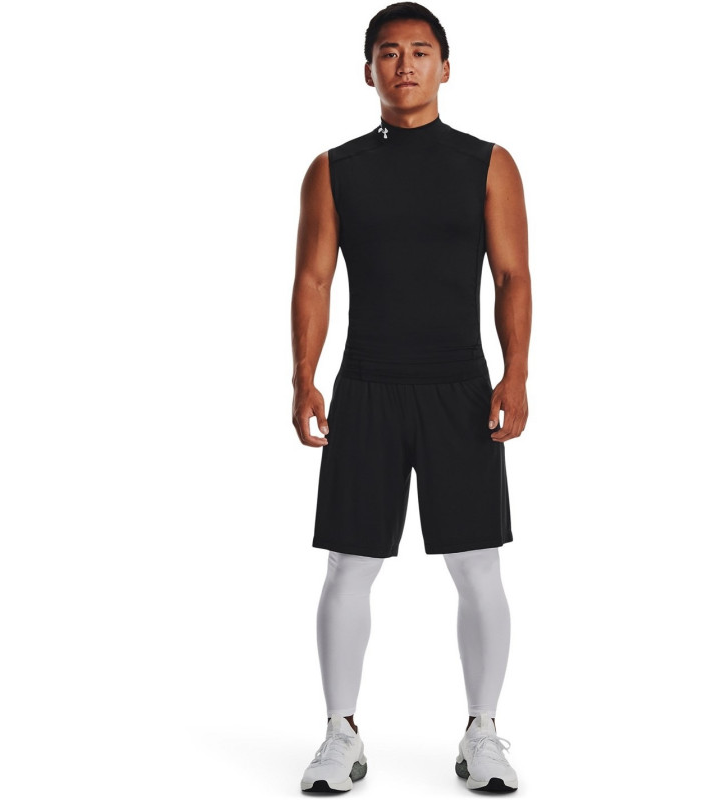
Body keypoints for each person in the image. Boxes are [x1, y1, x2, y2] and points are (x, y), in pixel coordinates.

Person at [291, 2, 531, 793]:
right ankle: (340, 734)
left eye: (420, 51)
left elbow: (513, 276)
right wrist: (303, 377)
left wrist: (516, 374)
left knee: (478, 566)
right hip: (367, 386)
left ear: (445, 67)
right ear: (368, 70)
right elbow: (313, 279)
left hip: (460, 387)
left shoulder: (488, 163)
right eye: (389, 52)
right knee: (348, 567)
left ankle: (483, 732)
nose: (404, 64)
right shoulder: (334, 168)